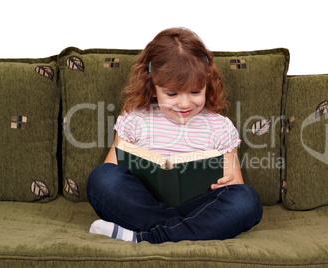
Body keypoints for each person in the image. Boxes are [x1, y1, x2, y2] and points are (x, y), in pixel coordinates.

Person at [86, 27, 263, 244]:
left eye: (195, 92)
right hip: (143, 206)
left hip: (197, 208)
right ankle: (181, 231)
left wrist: (229, 183)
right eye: (172, 94)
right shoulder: (134, 119)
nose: (185, 103)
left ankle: (144, 237)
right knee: (102, 178)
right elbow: (113, 172)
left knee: (246, 200)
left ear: (207, 84)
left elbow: (235, 185)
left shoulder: (220, 127)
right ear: (152, 88)